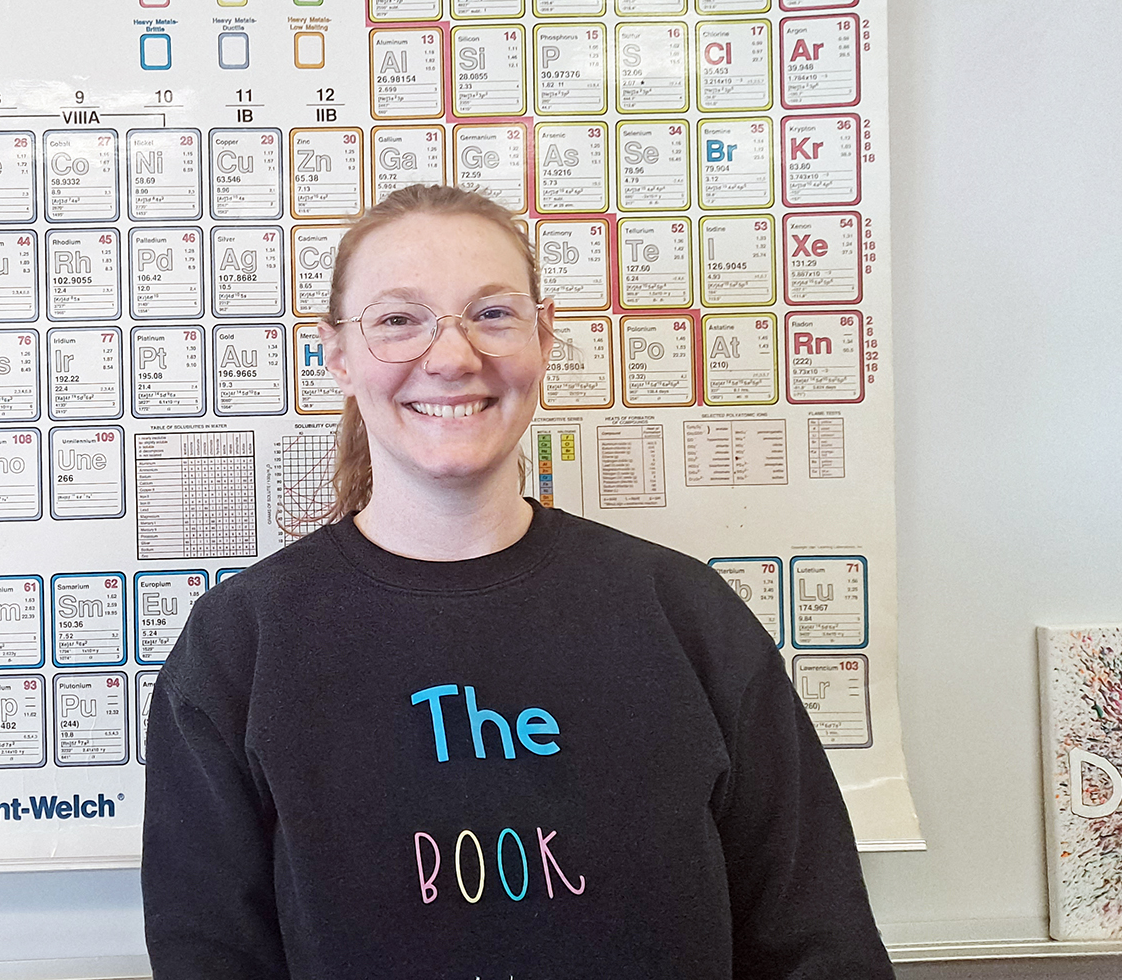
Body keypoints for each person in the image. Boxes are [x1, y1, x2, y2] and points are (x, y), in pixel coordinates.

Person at [141, 185, 893, 979]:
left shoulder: (688, 619)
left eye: (491, 313)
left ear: (544, 333)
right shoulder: (238, 649)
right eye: (399, 319)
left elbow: (819, 943)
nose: (453, 356)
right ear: (337, 354)